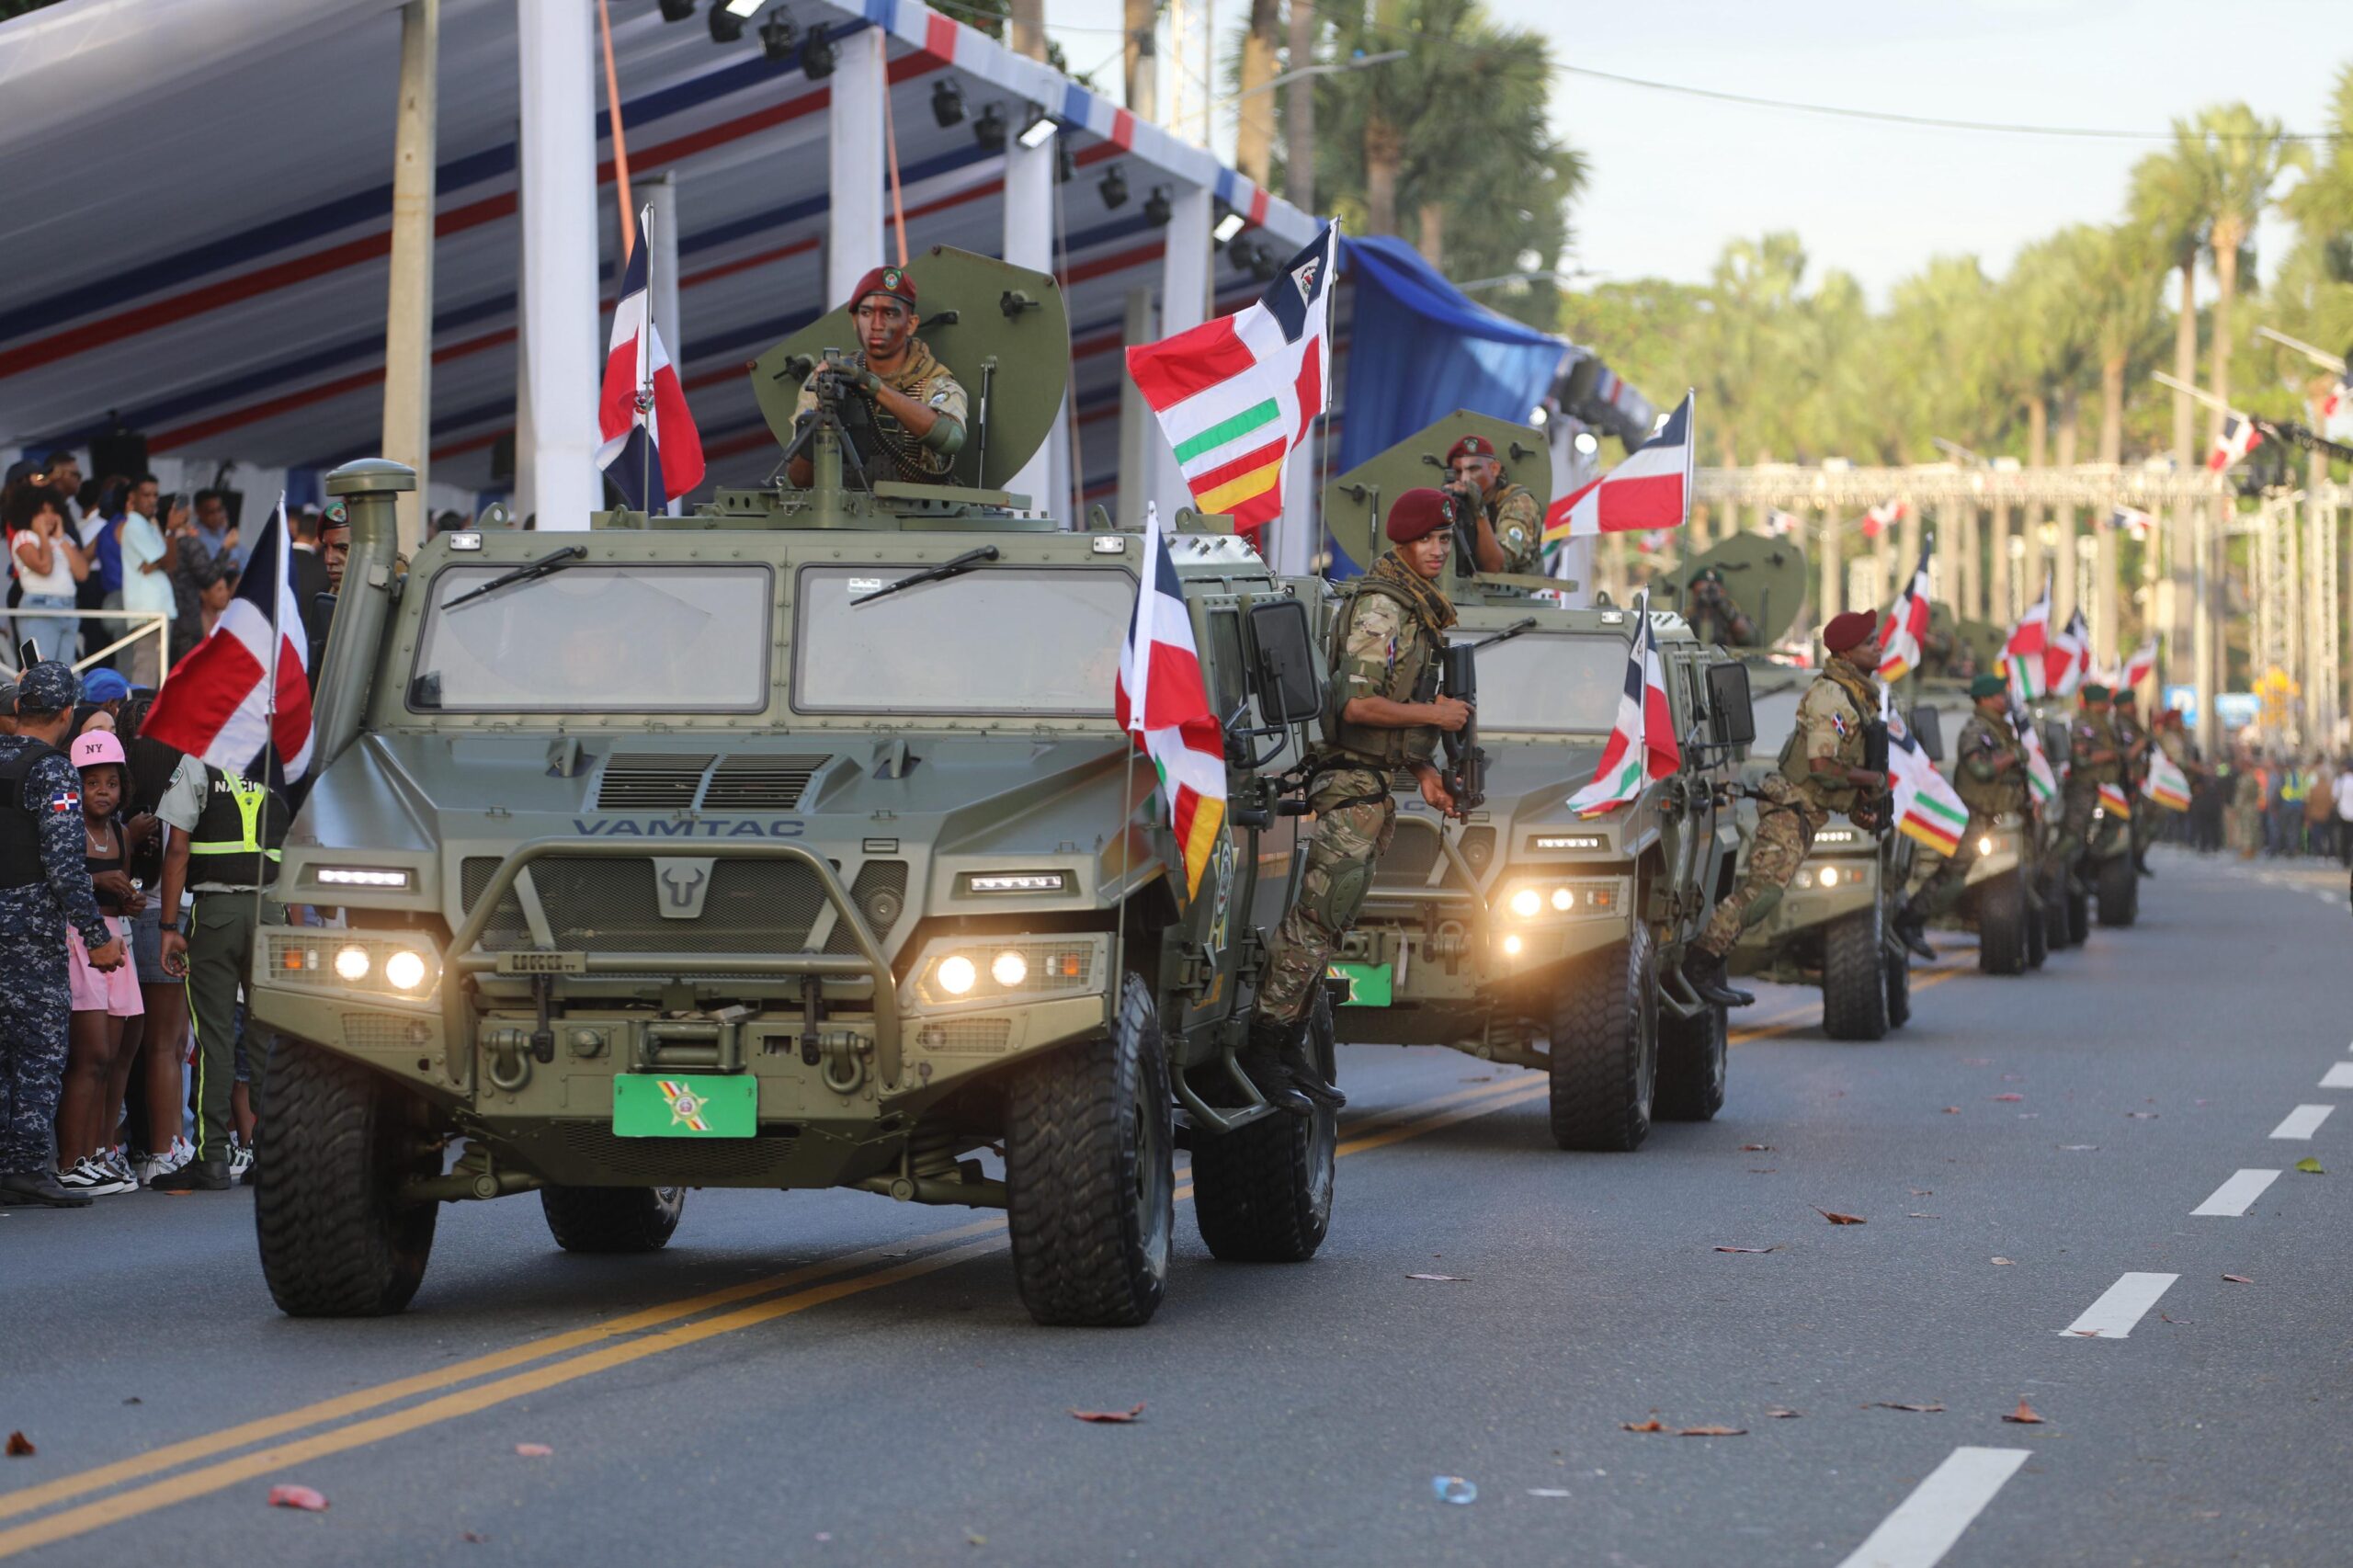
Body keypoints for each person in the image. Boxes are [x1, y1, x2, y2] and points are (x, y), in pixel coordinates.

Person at [1250, 488, 1471, 1111]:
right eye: (1426, 540)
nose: (1437, 550)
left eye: (1443, 539)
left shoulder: (1413, 606)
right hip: (1348, 787)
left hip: (1372, 788)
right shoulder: (1382, 608)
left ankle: (1289, 1046)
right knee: (1316, 920)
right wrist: (1437, 715)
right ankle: (1264, 1049)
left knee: (1332, 925)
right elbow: (1357, 706)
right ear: (1402, 542)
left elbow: (1388, 713)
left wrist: (1423, 769)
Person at [1684, 609, 1891, 1007]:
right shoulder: (1832, 697)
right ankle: (1699, 966)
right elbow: (1822, 766)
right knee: (1762, 893)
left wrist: (1859, 806)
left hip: (1808, 812)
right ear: (1847, 653)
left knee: (1764, 893)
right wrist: (1872, 780)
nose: (1879, 647)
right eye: (1870, 642)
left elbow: (1840, 768)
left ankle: (1707, 968)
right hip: (1790, 807)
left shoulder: (1858, 695)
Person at [0, 663, 127, 1207]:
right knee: (38, 1051)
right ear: (68, 714)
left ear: (20, 706)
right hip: (28, 933)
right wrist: (96, 935)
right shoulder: (52, 770)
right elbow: (65, 864)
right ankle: (26, 1166)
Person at [150, 755, 288, 1190]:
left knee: (214, 1040)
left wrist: (168, 927)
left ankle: (212, 1158)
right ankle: (273, 1156)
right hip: (272, 916)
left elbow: (177, 847)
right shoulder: (286, 760)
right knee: (269, 1041)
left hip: (216, 916)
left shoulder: (199, 761)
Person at [52, 731, 146, 1196]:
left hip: (115, 941)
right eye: (91, 783)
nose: (102, 792)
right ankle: (70, 1161)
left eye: (111, 782)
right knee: (88, 1056)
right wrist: (98, 882)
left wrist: (129, 900)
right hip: (78, 941)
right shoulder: (64, 825)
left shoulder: (120, 833)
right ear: (75, 785)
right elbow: (56, 881)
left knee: (110, 1057)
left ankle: (94, 1154)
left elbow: (118, 891)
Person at [785, 266, 967, 490]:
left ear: (911, 324)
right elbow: (798, 480)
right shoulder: (828, 380)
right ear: (855, 320)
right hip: (847, 508)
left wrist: (871, 386)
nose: (877, 325)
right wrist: (823, 417)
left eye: (889, 314)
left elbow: (951, 439)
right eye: (867, 313)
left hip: (917, 509)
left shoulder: (935, 382)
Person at [1896, 675, 2027, 953]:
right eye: (1999, 695)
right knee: (1954, 874)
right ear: (1984, 699)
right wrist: (2013, 756)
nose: (2004, 699)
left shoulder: (1999, 730)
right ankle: (1909, 920)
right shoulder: (1975, 731)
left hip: (1995, 815)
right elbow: (1981, 769)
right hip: (1975, 815)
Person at [2049, 683, 2121, 888]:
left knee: (2103, 832)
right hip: (2083, 788)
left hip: (2103, 788)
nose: (2109, 704)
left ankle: (2082, 874)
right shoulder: (2083, 725)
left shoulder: (2104, 723)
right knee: (2072, 837)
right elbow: (2081, 759)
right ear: (2095, 703)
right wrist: (2110, 755)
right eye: (2105, 701)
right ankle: (2050, 877)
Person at [8, 486, 89, 665]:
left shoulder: (64, 539)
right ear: (30, 514)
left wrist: (60, 538)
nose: (50, 517)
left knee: (65, 671)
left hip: (69, 608)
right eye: (42, 512)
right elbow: (45, 567)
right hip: (40, 606)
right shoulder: (24, 537)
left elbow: (82, 573)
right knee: (42, 670)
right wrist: (43, 535)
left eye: (53, 511)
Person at [1442, 434, 1543, 576]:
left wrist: (1479, 511)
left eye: (1473, 469)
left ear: (1494, 469)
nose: (1464, 479)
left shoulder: (1520, 504)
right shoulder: (1455, 501)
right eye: (1458, 472)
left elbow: (1495, 566)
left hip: (1508, 588)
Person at [117, 479, 179, 688]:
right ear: (132, 498)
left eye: (155, 495)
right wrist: (171, 531)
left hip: (157, 610)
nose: (152, 500)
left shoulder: (147, 525)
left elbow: (167, 563)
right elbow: (168, 561)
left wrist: (157, 562)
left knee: (155, 674)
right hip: (149, 612)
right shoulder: (134, 526)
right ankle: (138, 711)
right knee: (147, 673)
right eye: (146, 495)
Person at [1684, 566, 1756, 649]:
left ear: (1722, 592)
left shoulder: (1731, 615)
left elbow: (1749, 638)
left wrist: (1725, 610)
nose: (1705, 597)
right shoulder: (1689, 616)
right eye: (1699, 593)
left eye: (1710, 592)